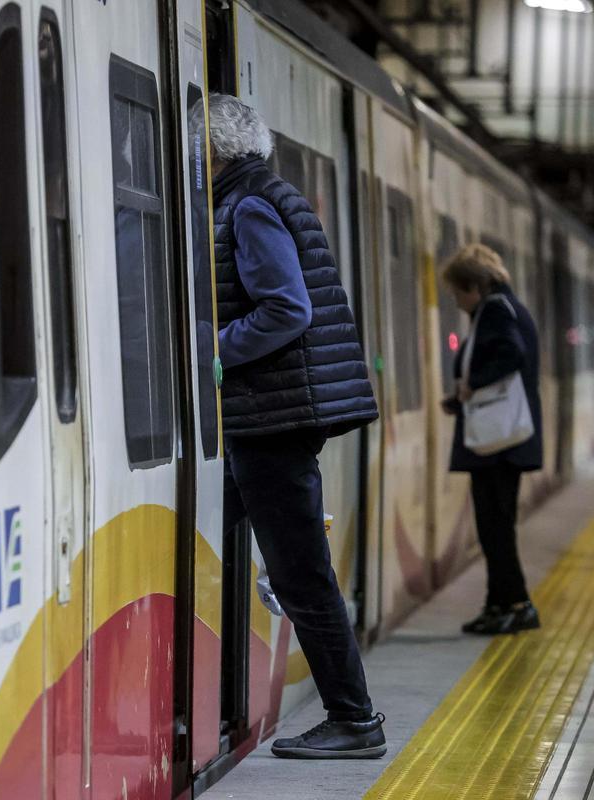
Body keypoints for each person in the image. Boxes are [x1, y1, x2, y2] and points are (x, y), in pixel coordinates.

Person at [204, 94, 384, 759]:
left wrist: (215, 346)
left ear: (212, 149)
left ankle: (355, 720)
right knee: (281, 562)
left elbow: (287, 309)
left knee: (302, 575)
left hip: (274, 419)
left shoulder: (246, 206)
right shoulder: (261, 194)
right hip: (273, 415)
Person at [440, 244, 542, 636]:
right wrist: (460, 399)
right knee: (495, 526)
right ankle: (499, 605)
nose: (457, 300)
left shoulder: (496, 310)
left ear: (475, 287)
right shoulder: (506, 308)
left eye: (457, 292)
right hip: (503, 441)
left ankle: (517, 604)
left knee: (495, 527)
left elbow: (510, 357)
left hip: (499, 445)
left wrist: (471, 388)